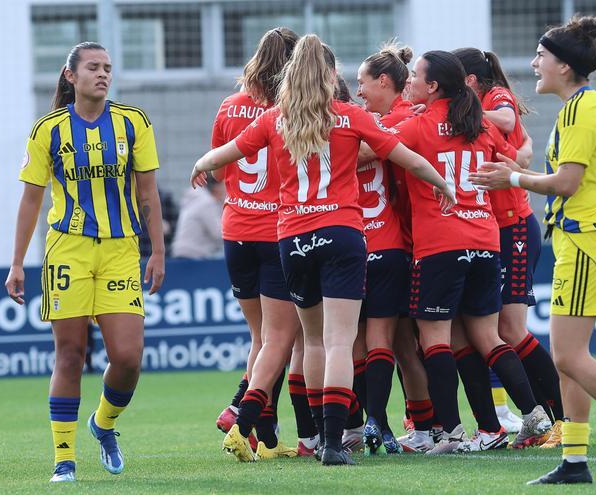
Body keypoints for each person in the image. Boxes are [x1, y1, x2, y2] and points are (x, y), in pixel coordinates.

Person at [190, 35, 454, 466]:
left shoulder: (277, 119)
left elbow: (228, 153)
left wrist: (200, 165)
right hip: (342, 235)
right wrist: (442, 184)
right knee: (338, 342)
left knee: (310, 341)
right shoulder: (350, 116)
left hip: (292, 238)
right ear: (331, 76)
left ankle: (289, 432)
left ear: (291, 76)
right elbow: (406, 157)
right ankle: (332, 444)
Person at [470, 15, 596, 485]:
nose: (533, 64)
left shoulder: (584, 109)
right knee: (568, 358)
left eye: (541, 56)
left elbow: (566, 183)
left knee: (568, 357)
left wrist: (512, 178)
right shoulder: (583, 106)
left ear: (564, 65)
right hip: (579, 238)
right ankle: (575, 461)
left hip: (586, 239)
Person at [4, 42, 165, 483]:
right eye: (93, 67)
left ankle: (104, 423)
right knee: (70, 355)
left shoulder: (134, 122)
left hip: (120, 249)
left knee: (128, 357)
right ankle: (64, 460)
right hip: (68, 248)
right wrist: (17, 263)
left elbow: (148, 193)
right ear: (70, 75)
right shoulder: (48, 131)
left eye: (108, 68)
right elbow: (31, 199)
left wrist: (158, 252)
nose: (103, 74)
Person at [390, 50, 550, 455]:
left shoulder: (417, 126)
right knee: (482, 336)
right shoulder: (478, 122)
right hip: (483, 240)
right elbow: (511, 160)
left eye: (416, 76)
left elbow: (372, 152)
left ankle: (451, 433)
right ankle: (527, 415)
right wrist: (526, 147)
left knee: (434, 340)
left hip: (440, 245)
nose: (410, 82)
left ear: (433, 86)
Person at [453, 47, 566, 448]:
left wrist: (465, 112)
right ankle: (533, 417)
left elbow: (509, 119)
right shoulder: (468, 110)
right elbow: (524, 142)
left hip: (514, 226)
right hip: (490, 232)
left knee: (511, 329)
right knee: (496, 330)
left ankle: (562, 420)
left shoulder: (493, 97)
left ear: (467, 81)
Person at [208, 27, 312, 459]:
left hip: (235, 230)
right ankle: (239, 409)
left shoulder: (229, 107)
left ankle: (264, 438)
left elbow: (216, 170)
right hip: (277, 231)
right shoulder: (292, 111)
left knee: (261, 338)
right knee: (280, 341)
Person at [353, 41, 417, 455]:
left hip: (360, 246)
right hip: (391, 243)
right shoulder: (381, 124)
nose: (358, 91)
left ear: (382, 81)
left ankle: (375, 425)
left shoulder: (383, 123)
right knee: (389, 342)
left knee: (355, 343)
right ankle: (387, 424)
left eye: (362, 82)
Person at [170, 177, 224, 259]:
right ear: (216, 188)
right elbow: (218, 234)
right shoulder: (207, 203)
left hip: (182, 253)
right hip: (193, 255)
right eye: (225, 185)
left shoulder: (199, 198)